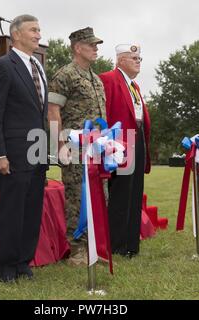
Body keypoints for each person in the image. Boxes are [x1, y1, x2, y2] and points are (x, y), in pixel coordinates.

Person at [0, 14, 48, 282]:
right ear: (16, 34)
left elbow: (40, 112)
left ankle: (23, 262)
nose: (38, 34)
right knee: (12, 210)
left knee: (32, 209)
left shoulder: (39, 66)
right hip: (13, 153)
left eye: (39, 29)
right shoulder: (3, 65)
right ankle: (5, 267)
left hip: (38, 151)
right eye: (33, 29)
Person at [48, 27, 106, 263]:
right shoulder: (65, 75)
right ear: (77, 48)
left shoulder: (96, 78)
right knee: (77, 198)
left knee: (97, 197)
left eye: (96, 45)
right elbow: (52, 112)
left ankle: (93, 247)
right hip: (74, 148)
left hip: (97, 150)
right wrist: (59, 145)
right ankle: (77, 250)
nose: (95, 48)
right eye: (91, 45)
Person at [99, 44, 151, 258]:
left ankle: (131, 244)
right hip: (120, 142)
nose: (138, 61)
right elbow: (104, 112)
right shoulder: (108, 79)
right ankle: (116, 245)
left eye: (140, 58)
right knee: (120, 194)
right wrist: (107, 142)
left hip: (137, 140)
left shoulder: (135, 86)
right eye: (133, 58)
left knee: (134, 192)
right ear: (120, 60)